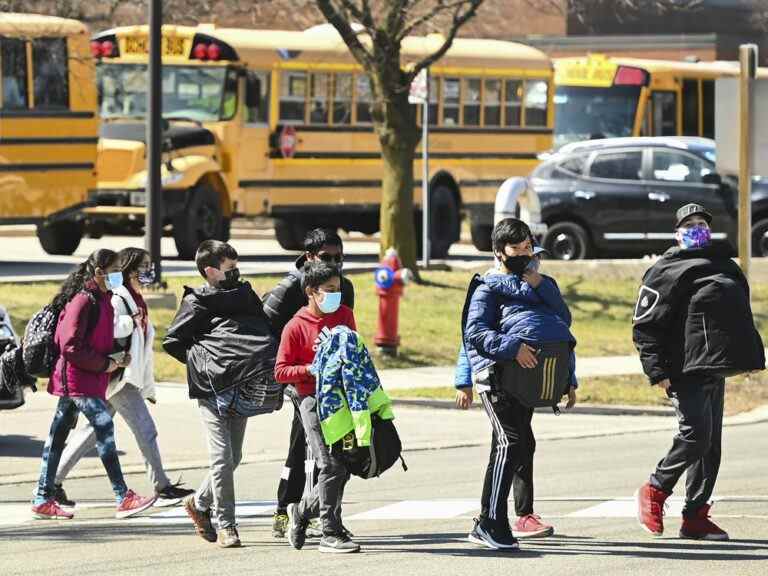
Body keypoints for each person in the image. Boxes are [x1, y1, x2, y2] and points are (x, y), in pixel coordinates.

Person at [633, 203, 765, 540]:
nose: (696, 228)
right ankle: (654, 489)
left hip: (714, 367)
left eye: (701, 222)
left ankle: (695, 516)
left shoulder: (724, 264)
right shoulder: (665, 270)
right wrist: (656, 369)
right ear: (676, 233)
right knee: (696, 435)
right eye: (689, 223)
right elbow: (645, 325)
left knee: (711, 446)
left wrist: (745, 355)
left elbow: (739, 315)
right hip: (682, 368)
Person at [456, 218, 578, 550]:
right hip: (495, 378)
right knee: (509, 443)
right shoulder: (486, 288)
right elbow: (475, 333)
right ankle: (491, 522)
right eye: (516, 249)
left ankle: (495, 520)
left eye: (528, 247)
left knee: (519, 446)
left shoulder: (540, 285)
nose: (525, 254)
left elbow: (561, 328)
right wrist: (513, 348)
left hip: (528, 381)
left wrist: (569, 379)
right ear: (499, 252)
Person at [51, 248, 194, 508]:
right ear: (128, 270)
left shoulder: (134, 297)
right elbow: (106, 331)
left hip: (121, 376)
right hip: (116, 377)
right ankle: (162, 486)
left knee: (92, 432)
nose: (149, 271)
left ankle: (52, 483)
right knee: (145, 429)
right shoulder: (118, 298)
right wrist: (129, 322)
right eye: (144, 266)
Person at [163, 240, 278, 548]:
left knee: (234, 456)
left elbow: (261, 325)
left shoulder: (244, 294)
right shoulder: (197, 301)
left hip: (242, 384)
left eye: (237, 267)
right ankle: (227, 525)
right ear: (210, 272)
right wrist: (204, 363)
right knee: (222, 458)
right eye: (230, 269)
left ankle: (198, 503)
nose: (236, 273)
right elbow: (173, 341)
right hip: (212, 389)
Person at [31, 249, 157, 520]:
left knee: (58, 437)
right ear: (99, 272)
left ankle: (42, 497)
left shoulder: (103, 298)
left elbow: (94, 340)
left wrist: (114, 359)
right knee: (104, 430)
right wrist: (105, 364)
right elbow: (70, 346)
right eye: (113, 270)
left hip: (87, 378)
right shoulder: (83, 301)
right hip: (78, 379)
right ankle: (123, 496)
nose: (117, 276)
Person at [262, 228, 354, 538]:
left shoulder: (343, 288)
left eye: (339, 258)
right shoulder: (290, 289)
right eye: (327, 258)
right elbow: (267, 330)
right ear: (310, 257)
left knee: (330, 452)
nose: (335, 264)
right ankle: (287, 511)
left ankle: (322, 513)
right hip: (300, 380)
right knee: (306, 450)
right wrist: (300, 366)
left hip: (332, 384)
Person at [276, 261, 359, 554]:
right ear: (312, 292)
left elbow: (354, 351)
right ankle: (329, 530)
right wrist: (312, 369)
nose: (336, 295)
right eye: (330, 290)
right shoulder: (295, 327)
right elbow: (281, 371)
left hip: (344, 399)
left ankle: (301, 512)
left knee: (344, 466)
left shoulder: (345, 315)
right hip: (311, 400)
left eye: (338, 289)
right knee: (329, 464)